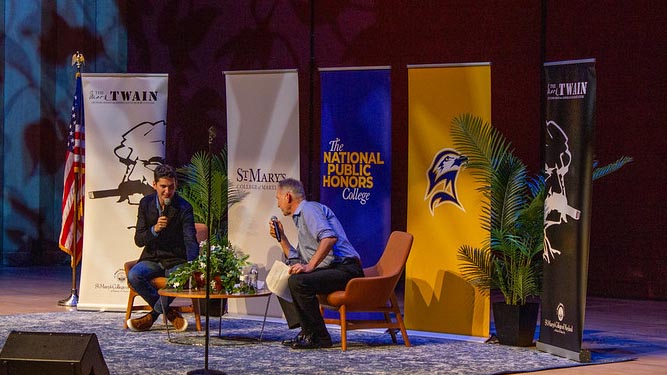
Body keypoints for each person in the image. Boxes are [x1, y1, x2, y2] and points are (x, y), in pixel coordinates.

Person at [269, 178, 363, 349]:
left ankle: (320, 337)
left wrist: (309, 266)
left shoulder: (309, 210)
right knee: (289, 276)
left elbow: (329, 238)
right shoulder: (301, 217)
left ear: (288, 196)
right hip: (332, 268)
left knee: (299, 281)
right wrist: (281, 238)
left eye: (278, 198)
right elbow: (298, 259)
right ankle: (307, 332)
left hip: (347, 269)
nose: (278, 204)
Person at [126, 164, 199, 332]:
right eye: (163, 187)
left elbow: (190, 239)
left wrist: (193, 266)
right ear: (154, 185)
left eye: (171, 187)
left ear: (176, 186)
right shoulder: (146, 204)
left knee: (177, 279)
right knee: (134, 275)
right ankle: (171, 314)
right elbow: (139, 239)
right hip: (152, 258)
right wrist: (155, 230)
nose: (167, 191)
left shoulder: (184, 207)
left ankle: (151, 317)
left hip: (175, 259)